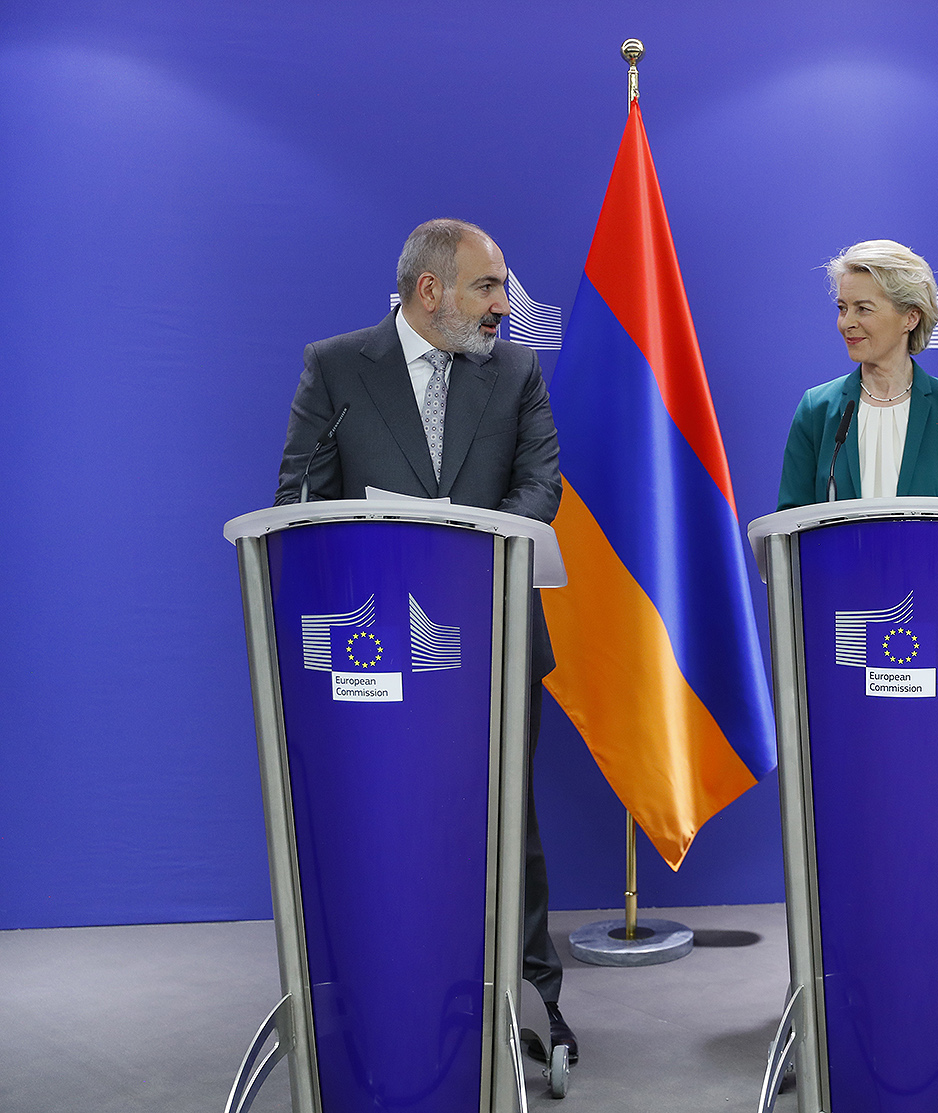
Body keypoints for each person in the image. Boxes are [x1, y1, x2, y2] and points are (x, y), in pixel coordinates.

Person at [273, 218, 578, 1064]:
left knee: (505, 820)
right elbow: (300, 498)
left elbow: (539, 485)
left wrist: (463, 560)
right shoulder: (337, 367)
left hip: (494, 640)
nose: (503, 305)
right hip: (375, 655)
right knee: (380, 821)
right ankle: (376, 992)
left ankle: (530, 999)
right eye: (488, 287)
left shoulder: (515, 371)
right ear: (431, 290)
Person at [777, 239, 938, 510]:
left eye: (863, 309)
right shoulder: (818, 409)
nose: (846, 323)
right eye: (843, 308)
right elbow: (790, 521)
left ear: (910, 318)